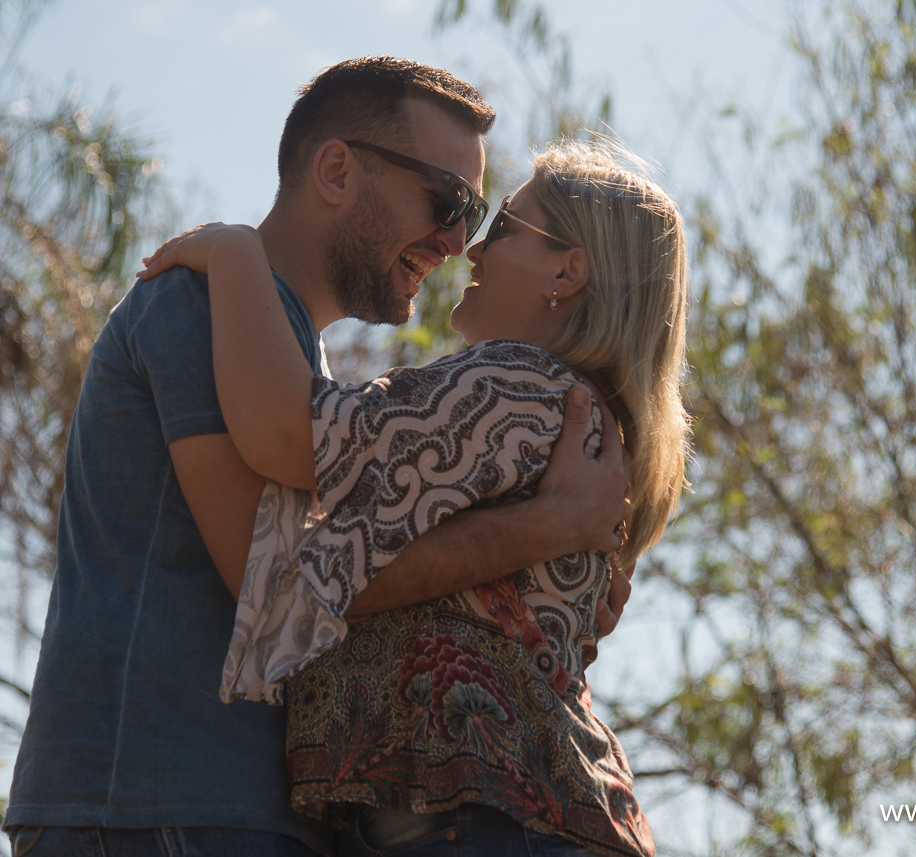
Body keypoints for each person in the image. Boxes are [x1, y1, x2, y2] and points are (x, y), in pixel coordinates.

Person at [4, 58, 631, 857]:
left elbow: (348, 575)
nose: (456, 242)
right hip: (154, 804)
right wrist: (546, 528)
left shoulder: (297, 370)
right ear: (336, 171)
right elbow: (276, 582)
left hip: (231, 812)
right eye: (448, 202)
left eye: (475, 217)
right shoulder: (201, 302)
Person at [136, 137, 690, 857]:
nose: (473, 249)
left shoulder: (512, 387)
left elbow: (286, 431)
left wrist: (235, 250)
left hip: (478, 826)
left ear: (568, 269)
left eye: (504, 226)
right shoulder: (595, 429)